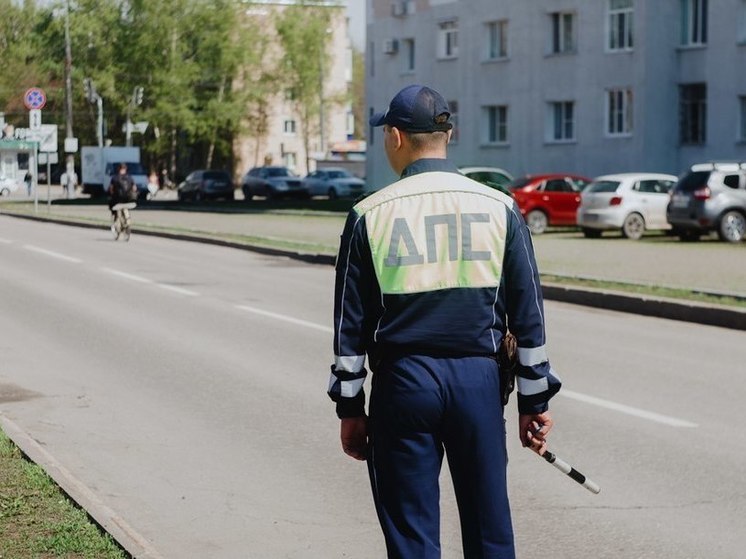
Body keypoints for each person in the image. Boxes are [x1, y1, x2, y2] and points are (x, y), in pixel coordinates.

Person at [326, 84, 562, 559]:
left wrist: (350, 408)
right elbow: (529, 314)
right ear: (447, 134)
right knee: (489, 528)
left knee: (411, 533)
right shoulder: (500, 207)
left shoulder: (368, 215)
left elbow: (350, 327)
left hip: (404, 384)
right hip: (479, 380)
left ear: (394, 137)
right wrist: (533, 399)